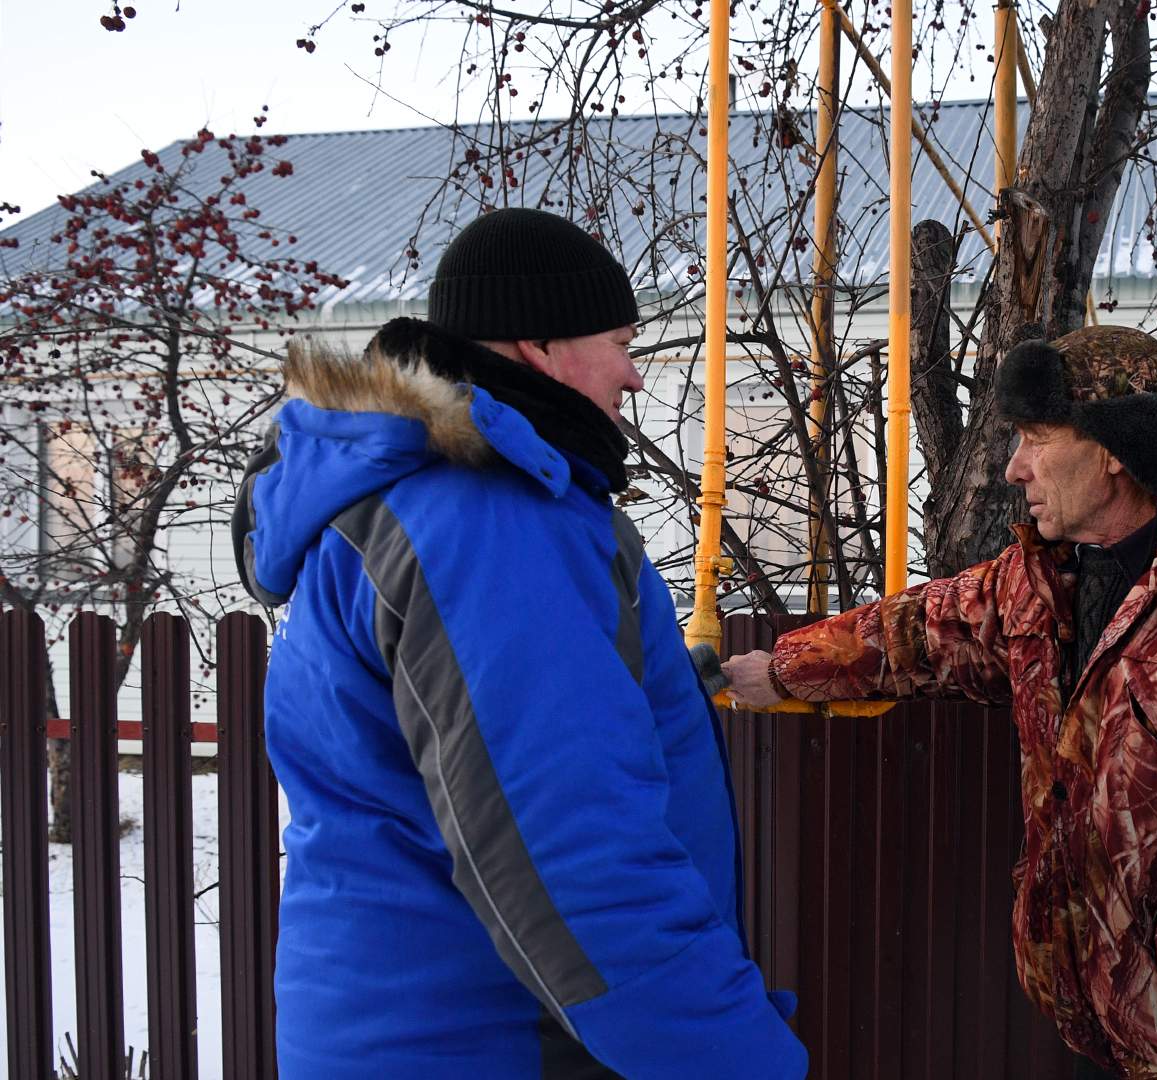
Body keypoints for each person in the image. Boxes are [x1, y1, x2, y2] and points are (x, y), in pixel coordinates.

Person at [725, 326, 1157, 1079]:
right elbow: (922, 633)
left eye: (1036, 437)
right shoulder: (1048, 578)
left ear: (1115, 450)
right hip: (1118, 1036)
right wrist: (783, 670)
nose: (1013, 467)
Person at [232, 208, 807, 1078]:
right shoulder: (487, 521)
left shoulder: (409, 502)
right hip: (497, 1040)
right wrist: (736, 1058)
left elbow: (463, 746)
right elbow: (577, 863)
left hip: (406, 1026)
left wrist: (631, 687)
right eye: (619, 340)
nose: (635, 375)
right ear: (539, 347)